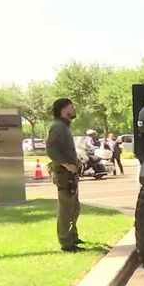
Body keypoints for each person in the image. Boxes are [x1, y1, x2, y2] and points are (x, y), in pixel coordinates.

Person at [45, 98, 84, 253]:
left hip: (70, 174)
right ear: (64, 109)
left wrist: (76, 161)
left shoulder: (64, 127)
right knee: (66, 208)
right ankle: (66, 243)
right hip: (64, 175)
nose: (74, 109)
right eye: (71, 107)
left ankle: (73, 236)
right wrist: (66, 164)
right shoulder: (58, 127)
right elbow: (51, 149)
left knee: (74, 207)